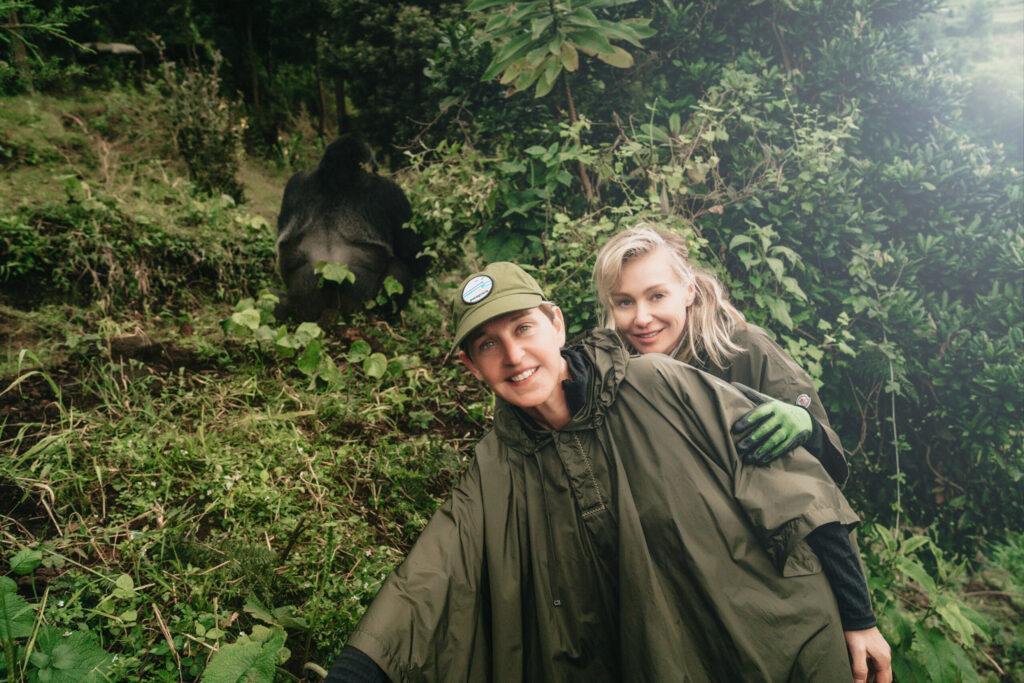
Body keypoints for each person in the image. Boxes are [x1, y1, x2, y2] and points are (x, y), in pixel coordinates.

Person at [326, 262, 891, 682]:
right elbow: (429, 578)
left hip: (768, 638)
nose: (514, 356)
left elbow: (800, 494)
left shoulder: (657, 382)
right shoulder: (498, 463)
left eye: (523, 329)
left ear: (555, 323)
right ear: (473, 368)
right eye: (488, 345)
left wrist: (859, 617)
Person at [593, 223, 849, 484]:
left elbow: (830, 466)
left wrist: (810, 428)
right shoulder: (613, 381)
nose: (642, 318)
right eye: (625, 302)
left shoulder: (743, 349)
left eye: (657, 296)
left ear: (688, 291)